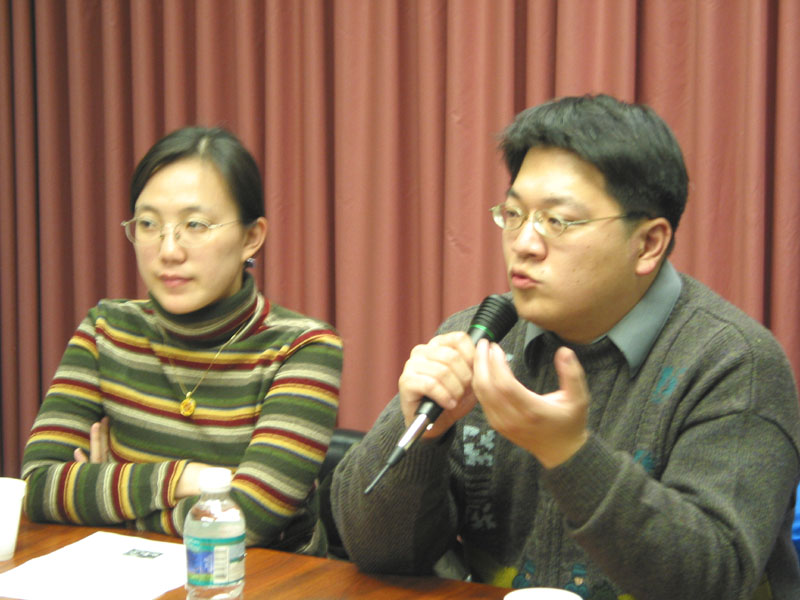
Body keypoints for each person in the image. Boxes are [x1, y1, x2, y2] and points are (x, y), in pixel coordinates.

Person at [331, 95, 800, 598]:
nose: (524, 243)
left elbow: (714, 579)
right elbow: (379, 553)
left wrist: (570, 455)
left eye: (558, 221)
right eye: (514, 214)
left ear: (648, 244)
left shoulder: (734, 363)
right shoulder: (482, 338)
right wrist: (420, 435)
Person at [21, 126, 343, 556]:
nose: (169, 250)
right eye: (149, 224)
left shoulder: (302, 347)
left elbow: (249, 518)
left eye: (195, 225)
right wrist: (186, 479)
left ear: (251, 237)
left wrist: (104, 496)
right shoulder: (106, 330)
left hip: (261, 580)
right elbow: (38, 485)